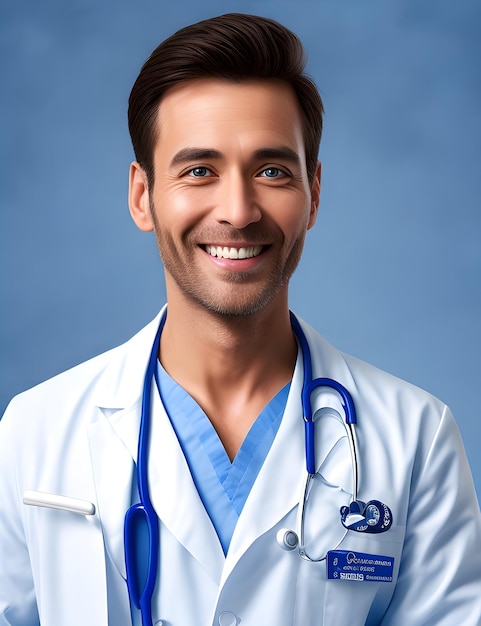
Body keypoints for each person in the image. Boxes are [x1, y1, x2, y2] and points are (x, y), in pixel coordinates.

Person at [1, 13, 480, 626]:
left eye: (272, 171)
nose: (237, 210)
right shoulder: (35, 432)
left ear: (314, 192)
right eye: (199, 170)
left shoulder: (415, 438)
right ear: (143, 196)